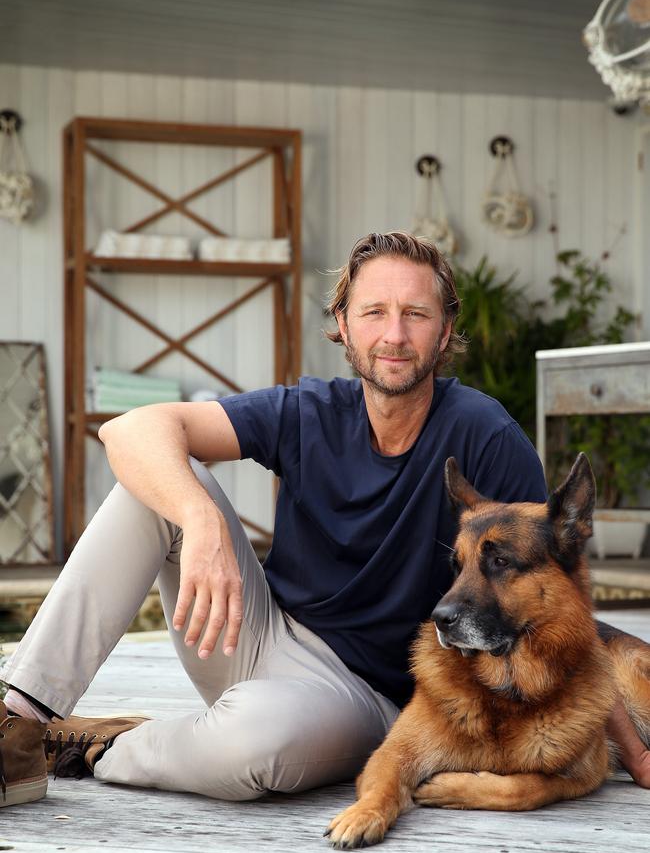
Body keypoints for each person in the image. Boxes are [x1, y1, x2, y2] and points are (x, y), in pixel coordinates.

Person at [1, 231, 647, 809]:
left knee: (257, 750)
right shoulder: (307, 410)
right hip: (254, 634)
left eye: (415, 314)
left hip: (361, 696)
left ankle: (105, 748)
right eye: (374, 312)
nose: (394, 334)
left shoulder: (486, 436)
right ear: (342, 322)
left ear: (444, 331)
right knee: (165, 480)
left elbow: (551, 597)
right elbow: (131, 428)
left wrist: (631, 752)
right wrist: (201, 522)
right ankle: (16, 724)